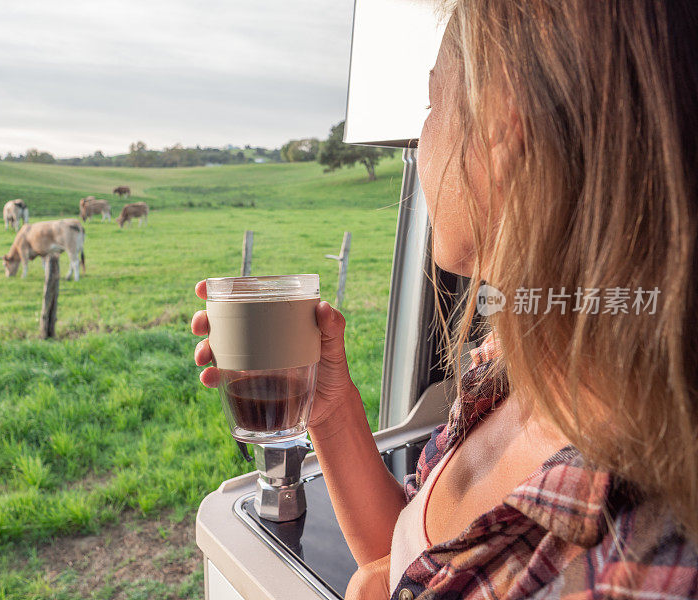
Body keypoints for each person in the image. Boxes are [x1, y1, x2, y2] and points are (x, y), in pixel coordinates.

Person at [192, 1, 698, 597]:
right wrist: (327, 404)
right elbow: (419, 561)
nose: (419, 138)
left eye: (433, 103)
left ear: (506, 129)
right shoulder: (512, 356)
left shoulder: (641, 569)